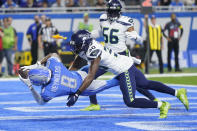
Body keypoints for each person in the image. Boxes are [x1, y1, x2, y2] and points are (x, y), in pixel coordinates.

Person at [68, 30, 189, 119]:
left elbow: (91, 75)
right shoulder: (85, 47)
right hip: (121, 62)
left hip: (123, 69)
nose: (75, 48)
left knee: (130, 101)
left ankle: (161, 105)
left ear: (85, 44)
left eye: (77, 46)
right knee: (144, 84)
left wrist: (77, 94)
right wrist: (66, 75)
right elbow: (76, 63)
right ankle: (178, 92)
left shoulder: (94, 51)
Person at [75, 0, 156, 111]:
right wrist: (90, 34)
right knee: (90, 75)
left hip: (122, 57)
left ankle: (153, 99)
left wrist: (136, 37)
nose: (112, 14)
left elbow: (136, 36)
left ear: (119, 12)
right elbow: (102, 31)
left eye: (115, 12)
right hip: (107, 56)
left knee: (136, 82)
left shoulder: (126, 21)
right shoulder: (103, 18)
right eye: (111, 11)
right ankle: (94, 103)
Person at [18, 53, 119, 105]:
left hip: (85, 88)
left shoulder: (48, 91)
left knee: (114, 82)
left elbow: (41, 102)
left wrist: (30, 86)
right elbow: (53, 55)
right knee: (107, 64)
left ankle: (127, 73)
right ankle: (121, 59)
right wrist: (36, 65)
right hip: (81, 73)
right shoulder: (53, 65)